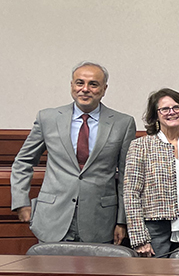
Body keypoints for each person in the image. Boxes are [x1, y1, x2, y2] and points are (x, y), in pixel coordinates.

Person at [10, 62, 136, 244]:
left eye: (93, 84)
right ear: (71, 85)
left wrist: (122, 221)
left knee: (96, 272)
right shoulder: (48, 118)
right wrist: (21, 202)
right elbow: (23, 162)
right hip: (52, 219)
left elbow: (127, 176)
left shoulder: (123, 123)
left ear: (104, 89)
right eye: (80, 83)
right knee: (50, 271)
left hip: (101, 221)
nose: (85, 89)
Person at [123, 89, 179, 257]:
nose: (171, 112)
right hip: (155, 230)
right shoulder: (141, 146)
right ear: (155, 115)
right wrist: (140, 239)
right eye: (165, 109)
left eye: (176, 107)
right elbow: (131, 194)